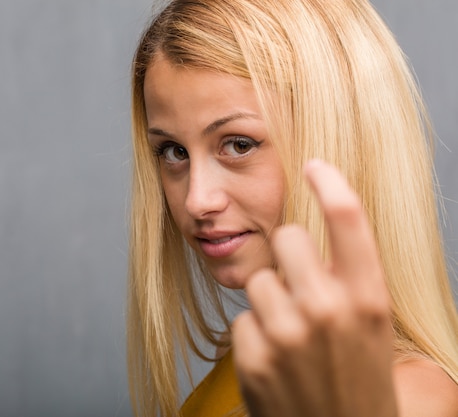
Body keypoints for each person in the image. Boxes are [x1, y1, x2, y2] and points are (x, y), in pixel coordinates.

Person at [126, 0, 458, 416]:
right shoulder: (259, 360)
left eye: (239, 145)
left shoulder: (406, 398)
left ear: (344, 142)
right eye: (173, 151)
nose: (196, 200)